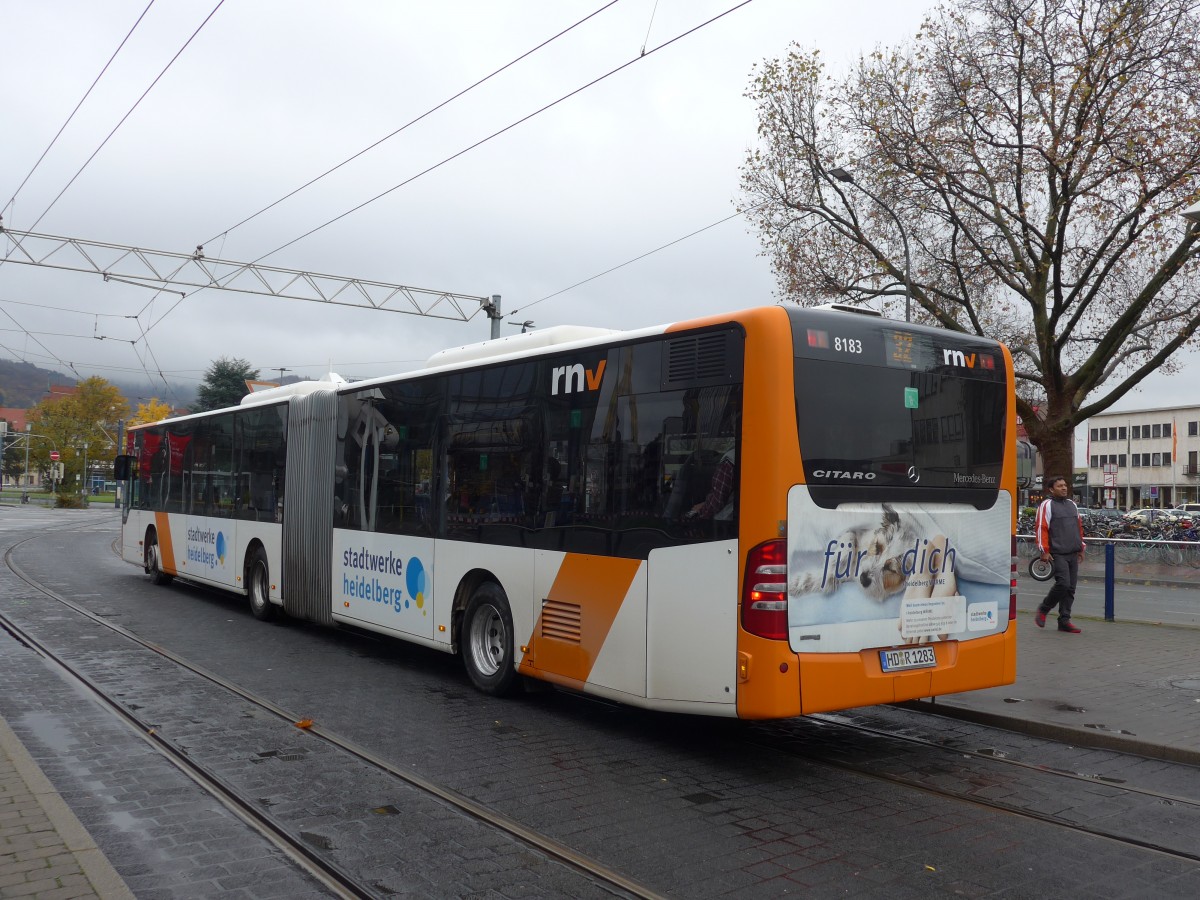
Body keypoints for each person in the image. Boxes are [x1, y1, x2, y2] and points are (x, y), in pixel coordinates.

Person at [1034, 475, 1085, 633]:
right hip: (1057, 553)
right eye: (1059, 486)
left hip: (1072, 551)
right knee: (1063, 584)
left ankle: (1064, 621)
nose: (1064, 488)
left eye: (1065, 485)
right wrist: (1044, 550)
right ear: (1051, 489)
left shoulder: (1071, 505)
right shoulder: (1047, 505)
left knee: (1070, 589)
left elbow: (1078, 527)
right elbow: (1041, 527)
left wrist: (1081, 547)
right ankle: (1044, 609)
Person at [685, 446, 736, 521]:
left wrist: (699, 515)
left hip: (725, 522)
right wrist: (705, 504)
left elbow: (718, 500)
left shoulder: (729, 460)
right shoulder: (744, 451)